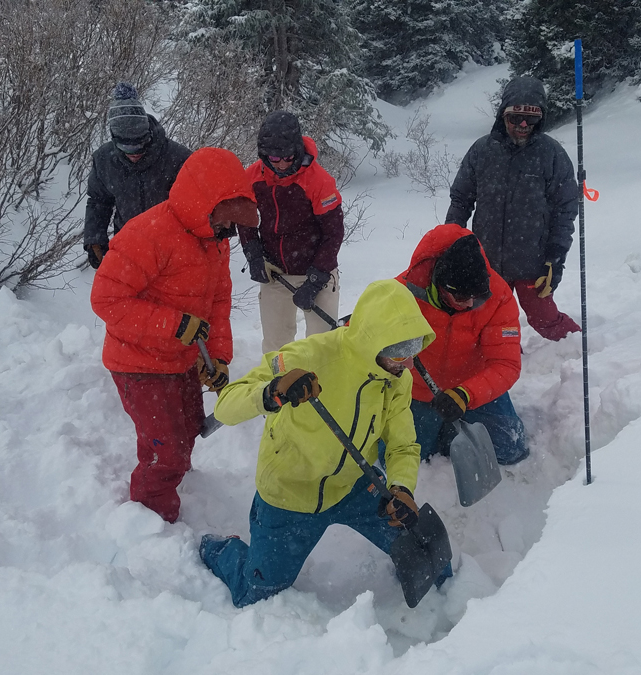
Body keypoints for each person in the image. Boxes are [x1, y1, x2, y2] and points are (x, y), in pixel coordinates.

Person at [199, 280, 436, 608]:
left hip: (356, 485)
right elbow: (227, 404)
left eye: (413, 351)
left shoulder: (396, 378)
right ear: (372, 342)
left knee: (432, 561)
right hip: (290, 493)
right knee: (255, 595)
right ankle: (225, 550)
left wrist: (403, 488)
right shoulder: (309, 356)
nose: (408, 364)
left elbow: (403, 445)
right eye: (400, 353)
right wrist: (272, 392)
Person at [90, 147, 258, 523]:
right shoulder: (148, 234)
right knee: (164, 451)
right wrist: (176, 325)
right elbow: (107, 299)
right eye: (224, 221)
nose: (229, 232)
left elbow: (217, 303)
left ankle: (173, 473)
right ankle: (152, 520)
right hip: (138, 363)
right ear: (201, 204)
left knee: (186, 429)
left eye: (235, 224)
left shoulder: (215, 241)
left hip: (179, 358)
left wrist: (217, 359)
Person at [446, 76, 581, 342]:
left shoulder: (551, 154)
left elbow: (565, 209)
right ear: (502, 115)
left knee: (543, 317)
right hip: (487, 261)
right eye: (515, 117)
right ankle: (502, 362)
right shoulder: (482, 151)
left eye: (530, 119)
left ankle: (577, 348)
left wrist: (555, 258)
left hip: (533, 259)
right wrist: (452, 244)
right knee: (486, 321)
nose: (522, 125)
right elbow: (461, 199)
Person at [396, 224, 528, 464]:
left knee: (512, 448)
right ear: (440, 285)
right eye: (460, 297)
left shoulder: (498, 296)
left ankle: (449, 429)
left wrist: (466, 394)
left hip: (472, 385)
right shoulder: (400, 292)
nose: (469, 305)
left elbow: (506, 364)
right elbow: (363, 337)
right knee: (404, 460)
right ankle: (442, 431)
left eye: (476, 297)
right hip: (419, 392)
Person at [238, 111, 344, 354]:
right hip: (275, 272)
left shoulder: (319, 181)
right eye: (274, 158)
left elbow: (334, 234)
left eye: (288, 157)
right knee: (276, 346)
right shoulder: (252, 177)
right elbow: (244, 221)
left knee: (321, 347)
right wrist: (254, 255)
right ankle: (277, 389)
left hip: (318, 271)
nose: (282, 164)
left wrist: (316, 280)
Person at [82, 82, 192, 269]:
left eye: (139, 144)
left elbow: (195, 204)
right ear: (114, 139)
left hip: (174, 249)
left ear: (148, 134)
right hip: (128, 245)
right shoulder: (104, 160)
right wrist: (95, 239)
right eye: (126, 146)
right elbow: (99, 201)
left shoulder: (177, 157)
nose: (134, 152)